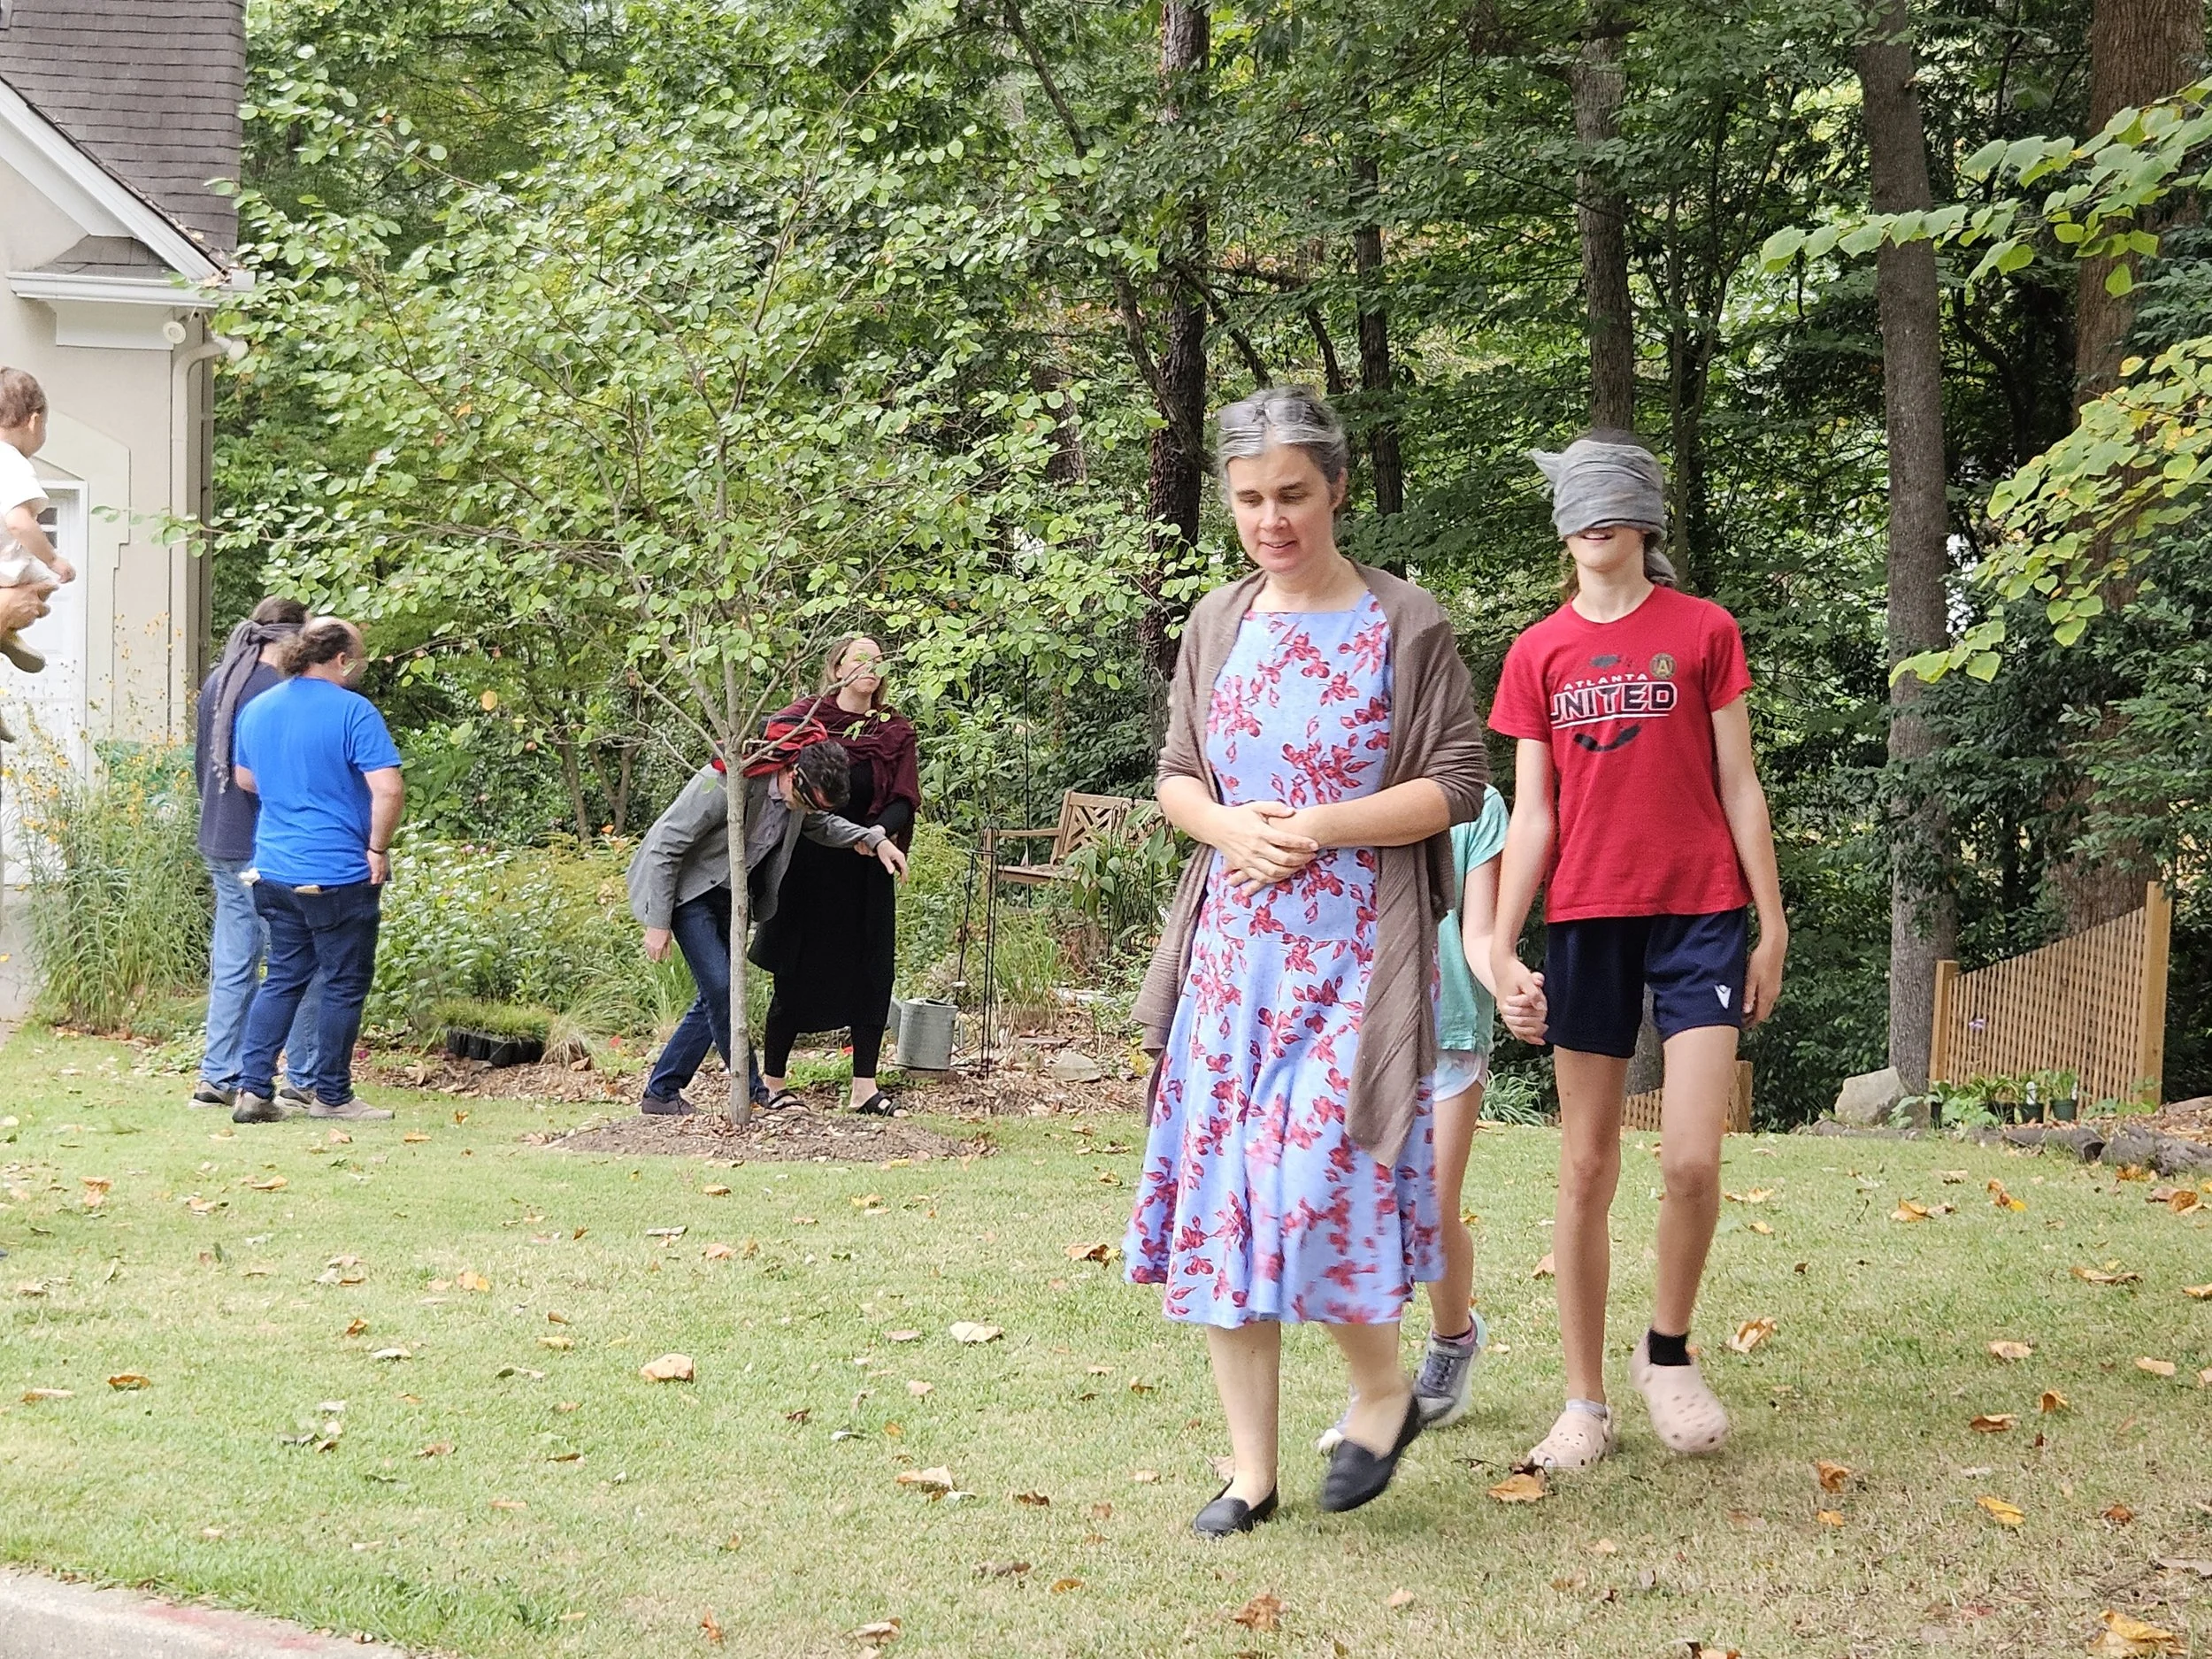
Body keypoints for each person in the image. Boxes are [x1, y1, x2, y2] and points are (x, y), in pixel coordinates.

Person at [1123, 386, 1490, 1538]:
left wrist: (1321, 825)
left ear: (1336, 487)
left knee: (1310, 1180)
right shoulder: (1218, 623)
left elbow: (1459, 781)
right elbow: (1180, 773)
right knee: (1228, 1208)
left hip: (1355, 960)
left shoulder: (1406, 621)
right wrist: (1229, 828)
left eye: (1291, 493)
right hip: (1233, 967)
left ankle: (1385, 1387)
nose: (1270, 518)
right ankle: (1250, 1472)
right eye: (1248, 498)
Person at [1487, 431, 1788, 1470]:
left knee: (1694, 1159)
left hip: (1701, 913)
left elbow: (1740, 786)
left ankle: (1667, 1353)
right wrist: (1495, 943)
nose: (1597, 518)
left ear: (1648, 519)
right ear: (1562, 521)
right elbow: (1531, 818)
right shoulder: (1537, 652)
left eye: (1617, 502)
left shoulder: (1703, 630)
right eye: (1580, 502)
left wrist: (1772, 921)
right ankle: (1583, 1404)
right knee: (1583, 1167)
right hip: (1584, 922)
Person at [1317, 777, 1512, 1450]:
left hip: (1452, 1034)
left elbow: (1481, 933)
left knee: (1430, 1209)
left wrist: (1509, 983)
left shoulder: (1479, 805)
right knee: (1373, 1216)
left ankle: (1455, 1338)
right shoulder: (1349, 789)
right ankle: (1376, 1395)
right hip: (1368, 1030)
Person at [627, 735, 908, 1117]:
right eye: (808, 802)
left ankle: (661, 1091)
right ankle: (754, 1090)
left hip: (731, 897)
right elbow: (666, 843)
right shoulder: (727, 782)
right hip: (688, 893)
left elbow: (822, 824)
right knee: (725, 990)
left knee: (717, 996)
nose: (807, 812)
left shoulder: (799, 801)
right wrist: (656, 922)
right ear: (794, 773)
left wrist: (873, 841)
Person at [228, 618, 406, 1125]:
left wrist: (296, 791)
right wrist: (377, 847)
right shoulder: (354, 711)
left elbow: (245, 777)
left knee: (283, 975)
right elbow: (389, 790)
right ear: (342, 659)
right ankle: (331, 1094)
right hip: (336, 869)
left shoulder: (260, 707)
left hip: (275, 867)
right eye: (360, 659)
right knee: (345, 981)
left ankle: (253, 1090)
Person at [750, 636, 922, 1114]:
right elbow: (773, 777)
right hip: (807, 865)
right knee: (794, 970)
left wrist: (876, 837)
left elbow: (904, 798)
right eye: (859, 658)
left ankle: (864, 1088)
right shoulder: (804, 720)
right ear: (837, 666)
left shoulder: (895, 731)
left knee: (871, 972)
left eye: (877, 659)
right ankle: (774, 1083)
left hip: (868, 865)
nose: (870, 667)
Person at [189, 597, 324, 1111]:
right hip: (269, 842)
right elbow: (279, 776)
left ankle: (217, 1075)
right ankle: (300, 1075)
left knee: (233, 960)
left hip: (221, 836)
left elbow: (204, 760)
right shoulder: (281, 692)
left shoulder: (218, 681)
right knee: (297, 959)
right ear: (293, 637)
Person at [0, 368, 77, 736]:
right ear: (34, 421)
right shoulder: (13, 464)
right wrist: (53, 559)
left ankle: (8, 636)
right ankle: (9, 633)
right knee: (49, 583)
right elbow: (18, 522)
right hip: (8, 567)